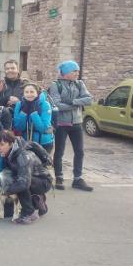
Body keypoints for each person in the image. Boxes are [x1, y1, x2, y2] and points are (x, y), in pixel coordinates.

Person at [48, 60, 94, 191]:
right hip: (61, 124)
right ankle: (59, 177)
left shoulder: (80, 84)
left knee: (79, 152)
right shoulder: (55, 85)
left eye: (77, 71)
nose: (77, 73)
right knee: (59, 152)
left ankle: (78, 179)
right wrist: (78, 103)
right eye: (74, 71)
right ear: (66, 73)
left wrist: (72, 101)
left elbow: (89, 99)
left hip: (77, 123)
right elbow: (56, 104)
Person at [0, 130, 52, 224]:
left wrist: (5, 191)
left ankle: (29, 213)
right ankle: (38, 200)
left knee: (20, 183)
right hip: (34, 179)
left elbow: (23, 182)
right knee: (18, 180)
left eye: (2, 144)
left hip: (44, 181)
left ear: (11, 144)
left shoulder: (22, 156)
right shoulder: (11, 151)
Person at [13, 82, 54, 152]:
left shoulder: (45, 105)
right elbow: (18, 127)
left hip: (43, 143)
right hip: (25, 142)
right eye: (26, 92)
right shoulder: (19, 105)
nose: (29, 94)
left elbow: (43, 128)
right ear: (23, 93)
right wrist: (23, 113)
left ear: (37, 93)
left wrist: (34, 113)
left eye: (32, 92)